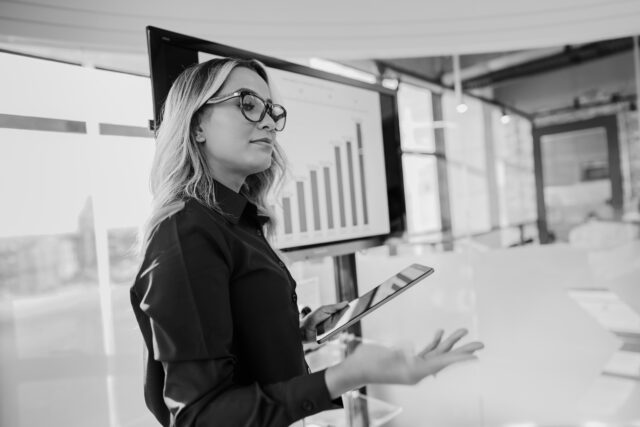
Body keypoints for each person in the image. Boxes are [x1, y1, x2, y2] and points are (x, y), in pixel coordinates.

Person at [130, 57, 484, 427]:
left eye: (271, 110)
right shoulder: (186, 232)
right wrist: (347, 374)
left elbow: (229, 345)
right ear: (196, 124)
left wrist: (291, 332)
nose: (268, 121)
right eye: (247, 104)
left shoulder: (236, 222)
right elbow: (200, 416)